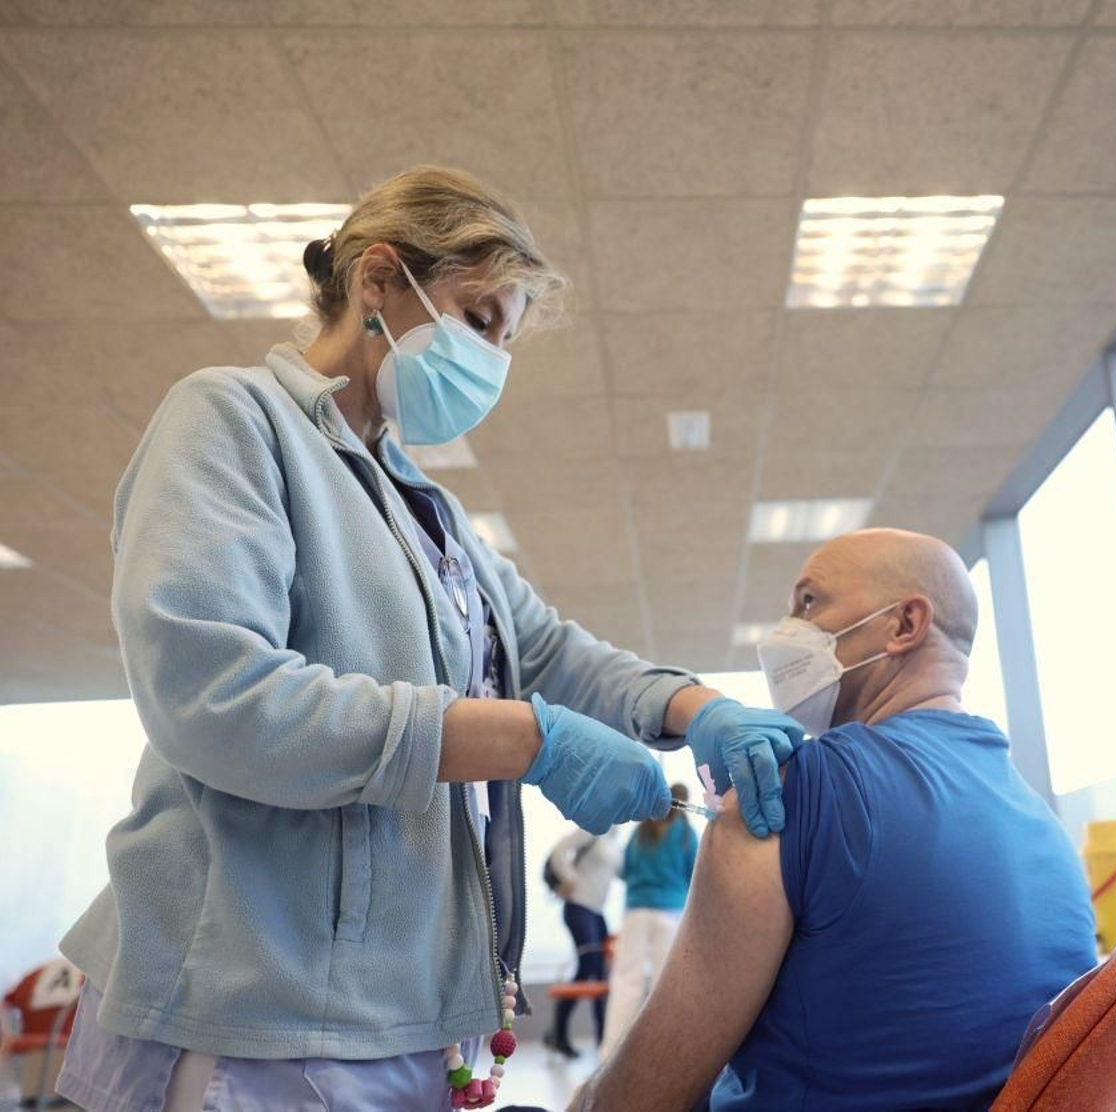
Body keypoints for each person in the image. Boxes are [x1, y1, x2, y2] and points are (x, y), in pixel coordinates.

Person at [53, 165, 803, 1112]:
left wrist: (698, 708)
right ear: (378, 280)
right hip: (245, 1003)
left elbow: (546, 651)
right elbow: (215, 695)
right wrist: (530, 741)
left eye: (506, 336)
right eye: (477, 316)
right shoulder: (232, 419)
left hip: (390, 1007)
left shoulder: (427, 507)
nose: (491, 354)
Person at [574, 528, 1099, 1112]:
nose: (783, 634)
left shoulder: (791, 789)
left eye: (808, 603)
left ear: (904, 625)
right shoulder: (1046, 828)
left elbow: (638, 1099)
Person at [598, 784, 700, 1061]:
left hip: (636, 911)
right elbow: (695, 875)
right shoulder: (687, 835)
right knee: (662, 984)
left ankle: (609, 1055)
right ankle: (663, 1055)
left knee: (625, 982)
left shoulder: (641, 831)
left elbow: (626, 868)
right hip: (670, 913)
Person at [543, 825, 623, 1059]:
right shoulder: (594, 828)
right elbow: (560, 849)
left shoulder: (615, 838)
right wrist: (569, 879)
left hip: (597, 911)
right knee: (588, 966)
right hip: (578, 906)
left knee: (600, 972)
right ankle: (558, 1034)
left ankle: (602, 1040)